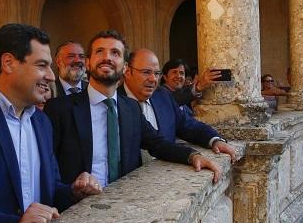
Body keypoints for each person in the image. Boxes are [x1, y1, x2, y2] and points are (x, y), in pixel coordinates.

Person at [0, 23, 101, 223]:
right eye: (42, 65)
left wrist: (74, 192)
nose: (51, 76)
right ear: (8, 63)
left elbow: (50, 189)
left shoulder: (42, 122)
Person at [44, 30, 220, 188]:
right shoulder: (59, 109)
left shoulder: (131, 108)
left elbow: (158, 144)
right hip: (76, 211)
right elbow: (46, 166)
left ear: (125, 67)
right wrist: (71, 191)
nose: (107, 57)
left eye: (115, 53)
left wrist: (192, 156)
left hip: (125, 206)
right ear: (88, 63)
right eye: (99, 51)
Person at [120, 48, 236, 162]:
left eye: (156, 73)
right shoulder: (112, 103)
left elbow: (188, 126)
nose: (153, 79)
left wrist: (215, 140)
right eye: (146, 72)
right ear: (127, 72)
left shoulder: (163, 97)